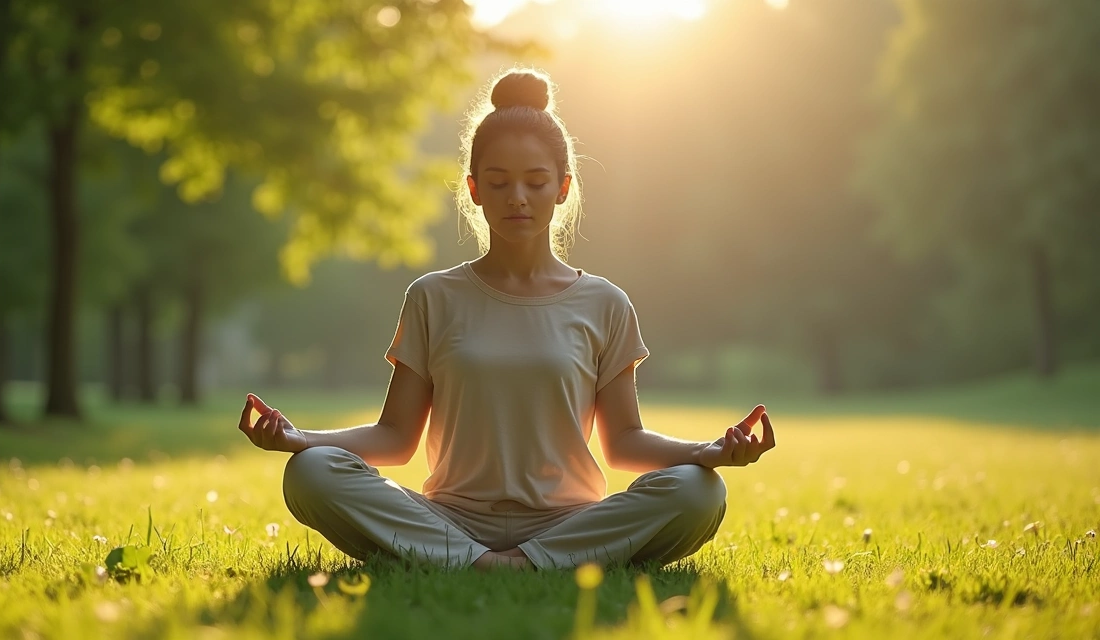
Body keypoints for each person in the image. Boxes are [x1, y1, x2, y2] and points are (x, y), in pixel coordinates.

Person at [237, 68, 776, 571]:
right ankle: (500, 560)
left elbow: (624, 442)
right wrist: (298, 438)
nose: (517, 197)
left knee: (700, 491)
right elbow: (396, 436)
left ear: (563, 188)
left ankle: (485, 560)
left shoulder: (605, 303)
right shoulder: (432, 296)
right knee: (310, 474)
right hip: (449, 515)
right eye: (497, 183)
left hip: (570, 519)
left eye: (535, 182)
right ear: (473, 189)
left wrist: (707, 452)